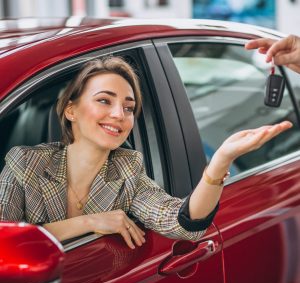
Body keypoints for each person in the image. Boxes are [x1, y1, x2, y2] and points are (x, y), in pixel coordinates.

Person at [0, 57, 292, 249]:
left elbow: (183, 225)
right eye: (105, 100)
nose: (119, 114)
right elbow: (3, 243)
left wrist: (220, 162)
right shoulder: (25, 163)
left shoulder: (128, 170)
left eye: (128, 108)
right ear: (71, 110)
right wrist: (87, 222)